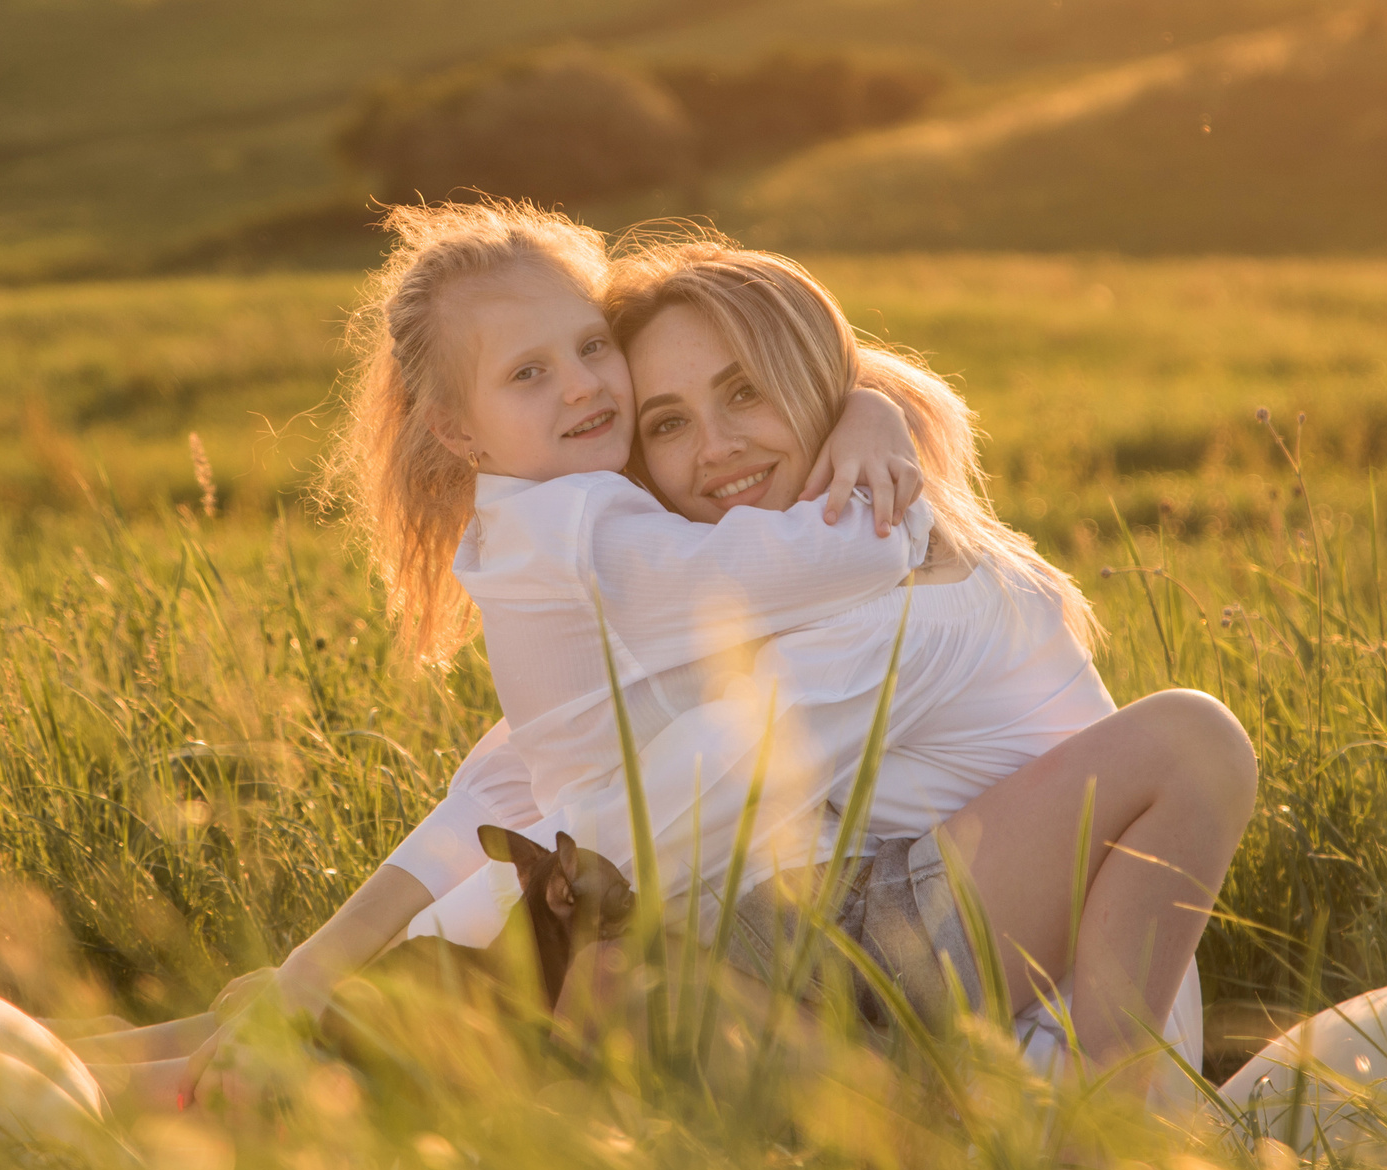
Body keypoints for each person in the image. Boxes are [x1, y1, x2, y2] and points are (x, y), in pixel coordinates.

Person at [409, 235, 1257, 1081]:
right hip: (909, 961)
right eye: (668, 422)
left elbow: (647, 814)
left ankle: (1080, 1141)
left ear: (814, 381)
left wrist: (446, 947)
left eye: (745, 391)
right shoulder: (755, 584)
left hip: (1045, 1040)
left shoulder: (889, 601)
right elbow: (524, 761)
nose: (715, 448)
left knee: (625, 980)